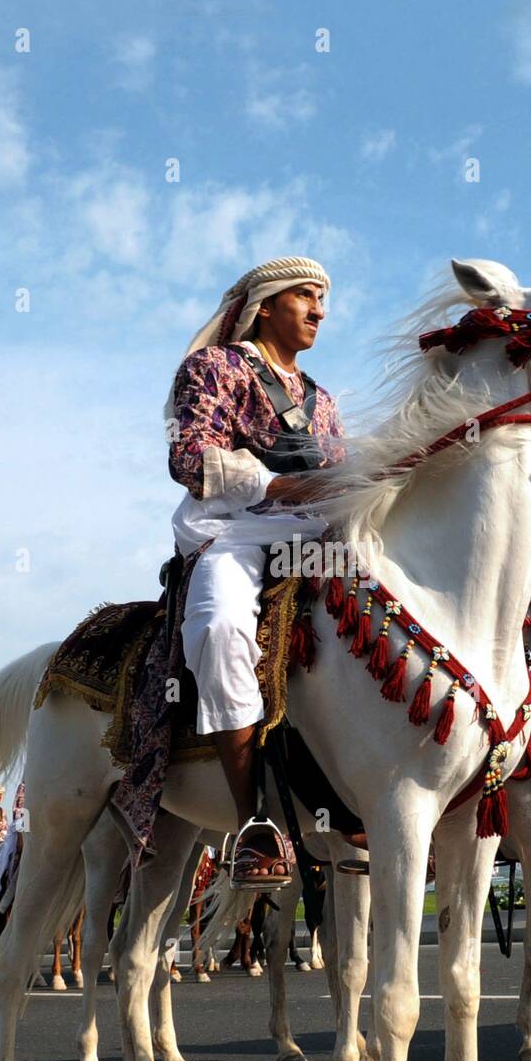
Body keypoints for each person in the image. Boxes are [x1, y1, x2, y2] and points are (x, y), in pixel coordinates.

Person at [113, 256, 346, 889]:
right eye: (306, 296)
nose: (320, 310)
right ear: (266, 305)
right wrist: (280, 484)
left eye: (324, 299)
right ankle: (255, 822)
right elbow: (189, 456)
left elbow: (341, 475)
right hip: (236, 531)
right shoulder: (213, 368)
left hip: (317, 535)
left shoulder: (322, 400)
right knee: (216, 625)